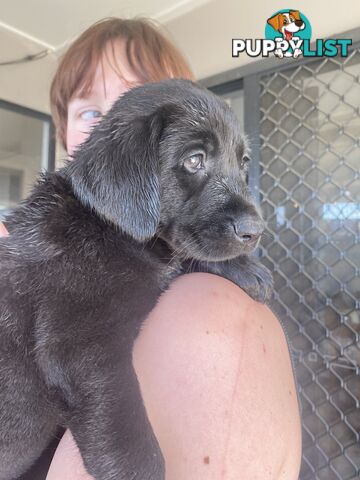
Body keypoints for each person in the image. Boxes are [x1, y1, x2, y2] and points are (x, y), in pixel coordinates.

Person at [1, 17, 302, 480]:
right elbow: (82, 355)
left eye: (230, 162)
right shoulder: (59, 241)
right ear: (63, 130)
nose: (110, 128)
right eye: (91, 113)